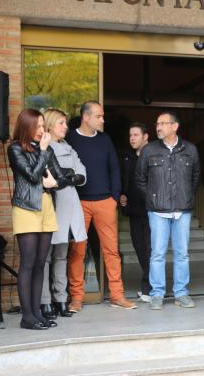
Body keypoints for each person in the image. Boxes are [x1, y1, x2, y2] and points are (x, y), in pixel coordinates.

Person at [66, 101, 136, 311]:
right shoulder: (70, 139)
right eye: (99, 116)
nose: (103, 120)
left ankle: (117, 295)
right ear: (86, 117)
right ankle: (76, 298)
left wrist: (113, 197)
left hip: (105, 202)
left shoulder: (105, 140)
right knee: (77, 251)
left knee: (111, 251)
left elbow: (114, 169)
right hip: (79, 203)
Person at [9, 108, 73, 330]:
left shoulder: (44, 149)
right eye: (37, 126)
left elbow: (61, 176)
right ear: (26, 126)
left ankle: (37, 313)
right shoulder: (15, 148)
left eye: (43, 125)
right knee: (27, 263)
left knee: (39, 264)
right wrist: (44, 151)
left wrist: (55, 182)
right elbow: (33, 175)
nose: (41, 130)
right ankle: (27, 316)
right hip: (26, 208)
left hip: (46, 207)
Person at [135, 111, 201, 310]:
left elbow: (195, 177)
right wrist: (153, 198)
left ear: (175, 126)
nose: (158, 127)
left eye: (163, 123)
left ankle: (181, 292)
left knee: (182, 254)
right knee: (157, 254)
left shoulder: (190, 149)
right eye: (157, 123)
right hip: (157, 211)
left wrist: (187, 196)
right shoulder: (149, 150)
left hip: (182, 209)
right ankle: (157, 294)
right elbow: (140, 179)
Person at [39, 109, 87, 319]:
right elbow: (48, 176)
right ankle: (44, 301)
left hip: (69, 204)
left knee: (61, 256)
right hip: (52, 204)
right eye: (61, 123)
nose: (65, 127)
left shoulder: (69, 147)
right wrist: (67, 177)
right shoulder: (43, 147)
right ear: (49, 125)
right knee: (45, 257)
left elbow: (82, 174)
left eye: (65, 123)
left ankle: (60, 299)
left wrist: (64, 179)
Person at [120, 122, 152, 303]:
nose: (132, 138)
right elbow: (125, 181)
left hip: (151, 210)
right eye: (130, 135)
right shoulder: (127, 157)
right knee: (139, 248)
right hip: (133, 210)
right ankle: (151, 285)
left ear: (145, 137)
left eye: (136, 135)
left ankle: (149, 287)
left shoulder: (154, 155)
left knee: (150, 249)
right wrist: (122, 195)